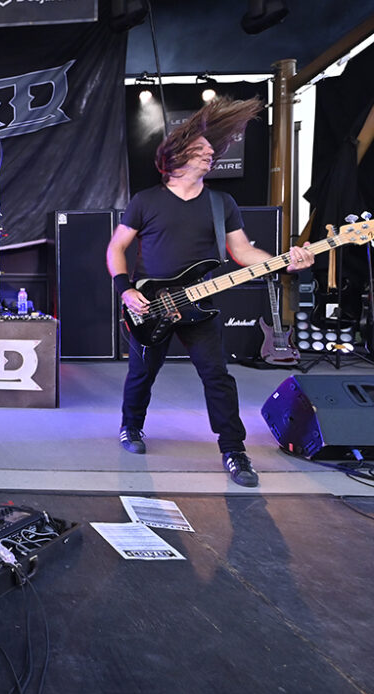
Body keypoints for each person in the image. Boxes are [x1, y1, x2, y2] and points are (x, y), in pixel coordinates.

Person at [106, 97, 314, 487]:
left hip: (199, 304)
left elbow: (243, 252)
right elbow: (116, 247)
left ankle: (234, 450)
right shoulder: (145, 201)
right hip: (150, 303)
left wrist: (285, 261)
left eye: (210, 151)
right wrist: (126, 291)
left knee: (217, 377)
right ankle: (131, 426)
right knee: (142, 374)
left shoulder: (221, 203)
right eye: (200, 150)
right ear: (175, 157)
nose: (209, 154)